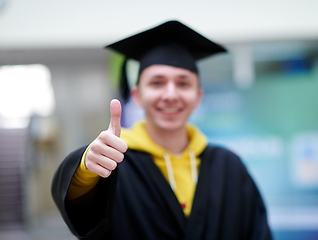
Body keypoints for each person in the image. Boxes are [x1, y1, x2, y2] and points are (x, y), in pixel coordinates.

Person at [51, 20, 273, 240]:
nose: (170, 94)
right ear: (137, 96)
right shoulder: (114, 163)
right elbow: (82, 216)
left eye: (183, 83)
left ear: (198, 97)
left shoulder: (228, 167)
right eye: (157, 83)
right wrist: (86, 168)